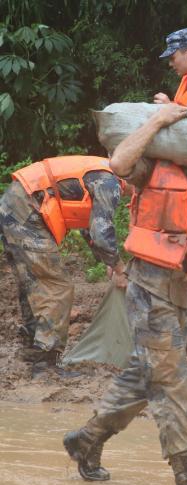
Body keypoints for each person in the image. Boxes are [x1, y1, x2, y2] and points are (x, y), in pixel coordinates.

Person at [63, 98, 187, 485]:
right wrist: (160, 120)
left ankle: (85, 439)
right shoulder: (155, 165)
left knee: (145, 376)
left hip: (181, 289)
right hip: (149, 284)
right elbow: (119, 164)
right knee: (173, 377)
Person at [0, 156, 128, 375]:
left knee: (33, 282)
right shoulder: (110, 183)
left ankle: (32, 348)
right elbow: (101, 234)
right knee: (57, 286)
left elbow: (90, 228)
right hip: (26, 209)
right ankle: (46, 361)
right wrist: (119, 268)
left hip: (14, 206)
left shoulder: (102, 173)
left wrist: (108, 261)